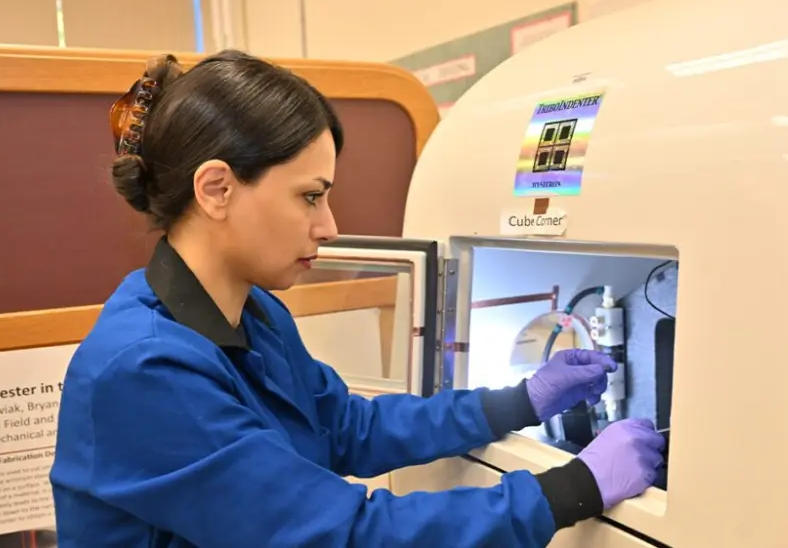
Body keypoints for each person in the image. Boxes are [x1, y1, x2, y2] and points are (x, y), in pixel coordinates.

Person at [49, 50, 666, 548]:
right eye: (310, 196)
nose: (329, 226)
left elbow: (348, 428)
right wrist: (573, 489)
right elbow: (345, 536)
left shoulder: (255, 315)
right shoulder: (143, 371)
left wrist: (521, 400)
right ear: (216, 189)